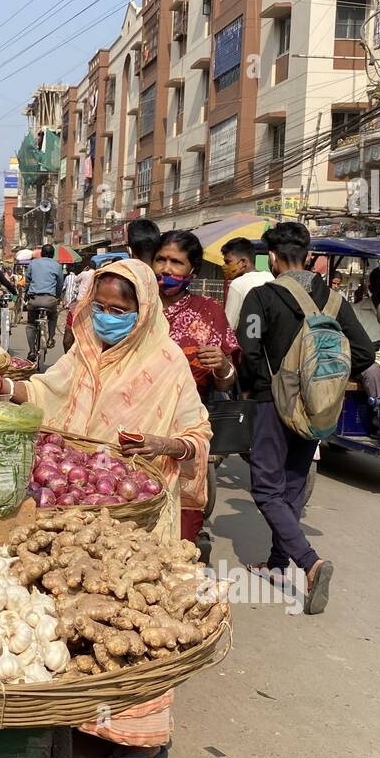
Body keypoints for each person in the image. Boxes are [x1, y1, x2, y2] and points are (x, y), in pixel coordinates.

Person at [0, 260, 211, 758]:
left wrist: (167, 444)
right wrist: (4, 387)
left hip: (136, 509)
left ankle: (141, 736)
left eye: (120, 310)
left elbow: (199, 434)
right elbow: (47, 393)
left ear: (143, 311)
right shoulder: (85, 350)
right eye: (101, 307)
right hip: (75, 500)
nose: (108, 318)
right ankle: (77, 709)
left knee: (135, 614)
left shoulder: (166, 362)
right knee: (74, 603)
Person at [237, 222, 374, 615]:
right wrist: (324, 382)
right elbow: (363, 353)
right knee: (293, 485)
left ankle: (310, 563)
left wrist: (251, 389)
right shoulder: (334, 300)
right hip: (318, 408)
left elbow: (247, 349)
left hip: (271, 402)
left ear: (273, 258)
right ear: (311, 256)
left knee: (265, 488)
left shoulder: (261, 296)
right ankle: (278, 564)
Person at [152, 230, 239, 543]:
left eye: (176, 262)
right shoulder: (137, 306)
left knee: (182, 529)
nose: (166, 268)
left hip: (185, 431)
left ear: (193, 271)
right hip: (136, 425)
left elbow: (226, 381)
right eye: (161, 259)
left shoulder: (209, 312)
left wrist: (223, 365)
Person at [24, 242, 66, 361]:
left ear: (41, 254)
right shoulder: (57, 265)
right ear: (53, 255)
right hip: (50, 300)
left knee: (31, 324)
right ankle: (51, 338)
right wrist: (57, 297)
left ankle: (32, 350)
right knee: (53, 316)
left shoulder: (33, 263)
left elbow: (27, 281)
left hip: (34, 299)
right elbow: (60, 284)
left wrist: (27, 294)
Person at [222, 235, 273, 330]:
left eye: (228, 262)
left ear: (243, 262)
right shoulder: (270, 277)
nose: (224, 266)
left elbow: (228, 326)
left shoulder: (238, 284)